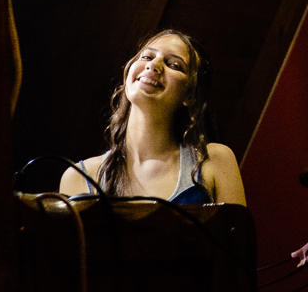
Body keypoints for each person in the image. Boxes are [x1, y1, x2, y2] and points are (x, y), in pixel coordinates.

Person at [59, 29, 246, 205]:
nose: (154, 65)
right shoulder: (79, 178)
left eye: (174, 64)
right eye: (147, 56)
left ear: (190, 96)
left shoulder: (213, 161)